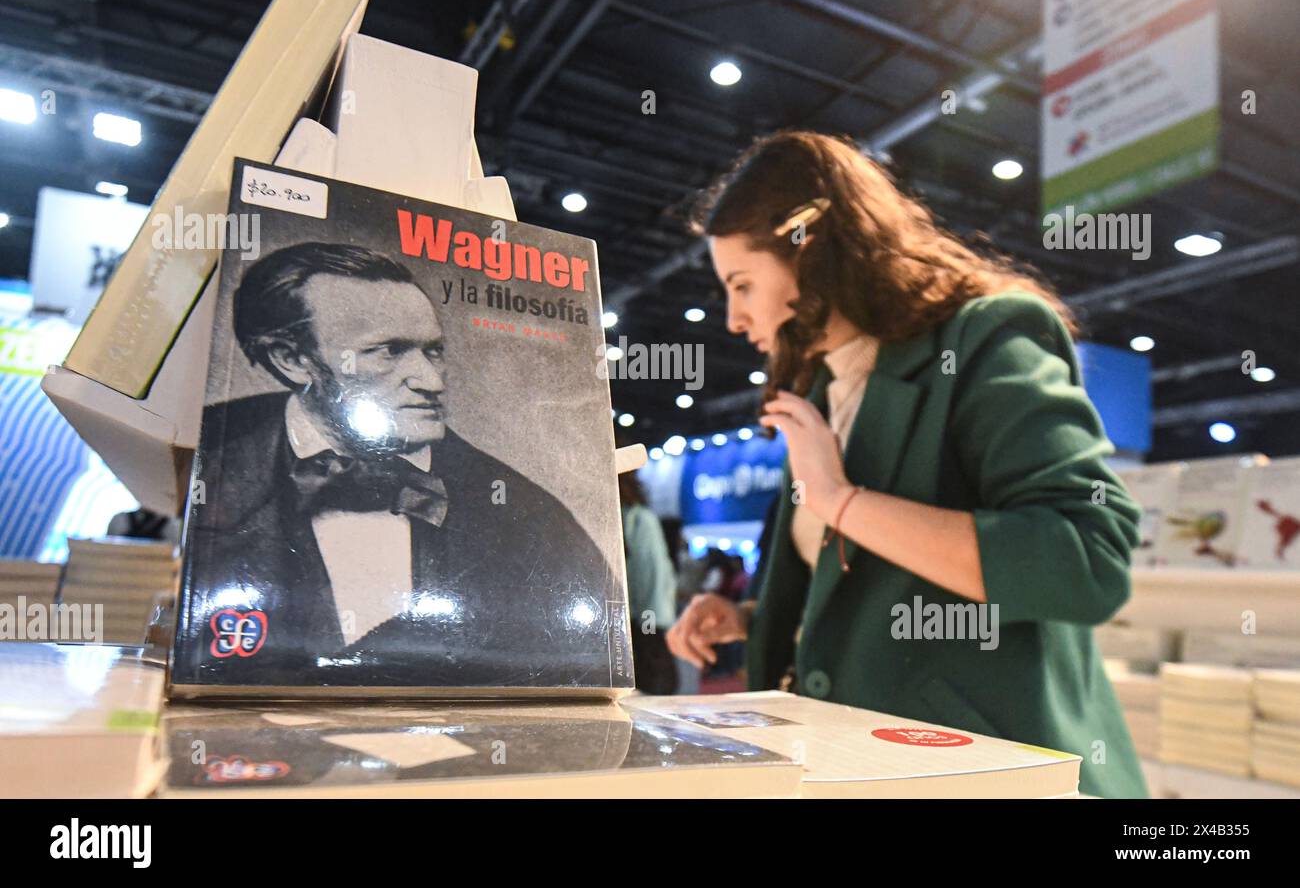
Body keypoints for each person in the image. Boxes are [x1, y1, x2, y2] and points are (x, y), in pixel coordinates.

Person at [665, 131, 1148, 798]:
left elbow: (1086, 563)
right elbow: (866, 582)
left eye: (742, 284)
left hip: (982, 771)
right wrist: (749, 615)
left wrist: (840, 500)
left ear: (811, 251)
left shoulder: (988, 336)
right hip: (853, 766)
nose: (732, 316)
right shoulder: (820, 389)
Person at [183, 242, 619, 688]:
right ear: (292, 360)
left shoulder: (531, 520)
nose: (432, 382)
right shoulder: (209, 451)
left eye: (433, 352)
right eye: (388, 351)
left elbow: (583, 676)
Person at [617, 470, 678, 694]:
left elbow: (650, 579)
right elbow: (654, 580)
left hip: (637, 632)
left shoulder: (636, 519)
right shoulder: (637, 518)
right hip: (640, 629)